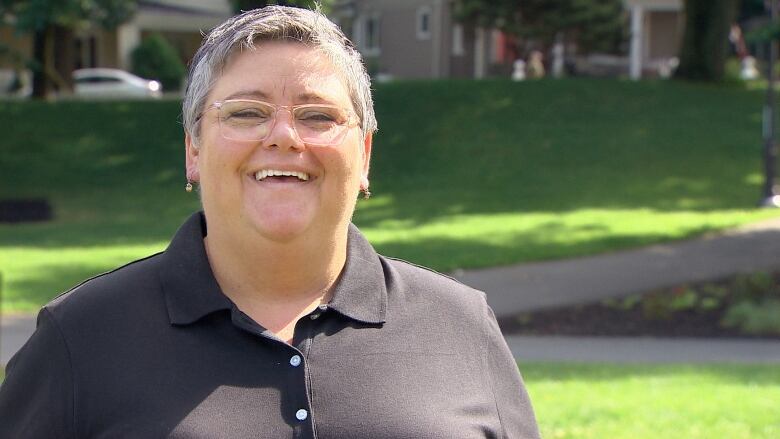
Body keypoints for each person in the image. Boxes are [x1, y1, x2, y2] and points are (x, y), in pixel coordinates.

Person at [0, 6, 540, 438]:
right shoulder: (82, 338)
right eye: (246, 113)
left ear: (365, 155)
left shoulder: (461, 326)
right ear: (193, 148)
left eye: (318, 116)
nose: (283, 136)